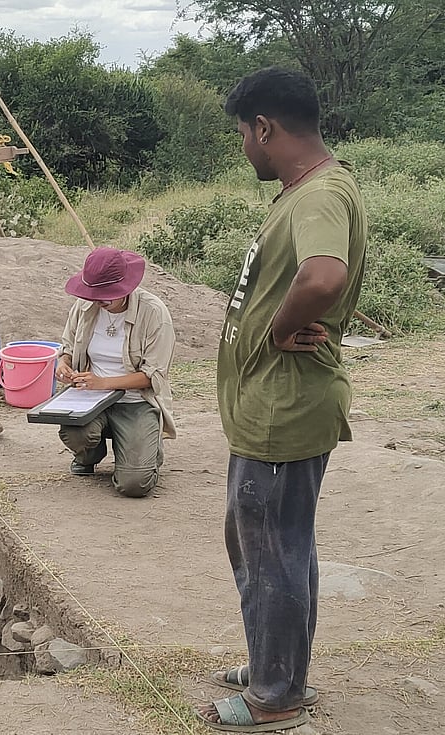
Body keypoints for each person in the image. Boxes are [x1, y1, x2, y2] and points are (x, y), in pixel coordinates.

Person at [196, 67, 367, 732]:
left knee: (272, 548)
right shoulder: (312, 190)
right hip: (273, 407)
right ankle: (279, 662)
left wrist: (278, 326)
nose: (245, 147)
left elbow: (324, 276)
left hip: (282, 408)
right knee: (273, 544)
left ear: (264, 127)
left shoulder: (318, 195)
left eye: (244, 134)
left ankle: (277, 695)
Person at [56, 247, 176, 497]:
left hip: (136, 401)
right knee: (72, 429)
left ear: (126, 287)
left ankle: (147, 449)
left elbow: (152, 376)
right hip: (90, 398)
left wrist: (103, 383)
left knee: (134, 486)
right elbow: (66, 346)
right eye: (93, 294)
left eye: (105, 295)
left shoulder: (153, 312)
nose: (98, 300)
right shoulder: (84, 307)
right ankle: (91, 453)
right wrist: (63, 364)